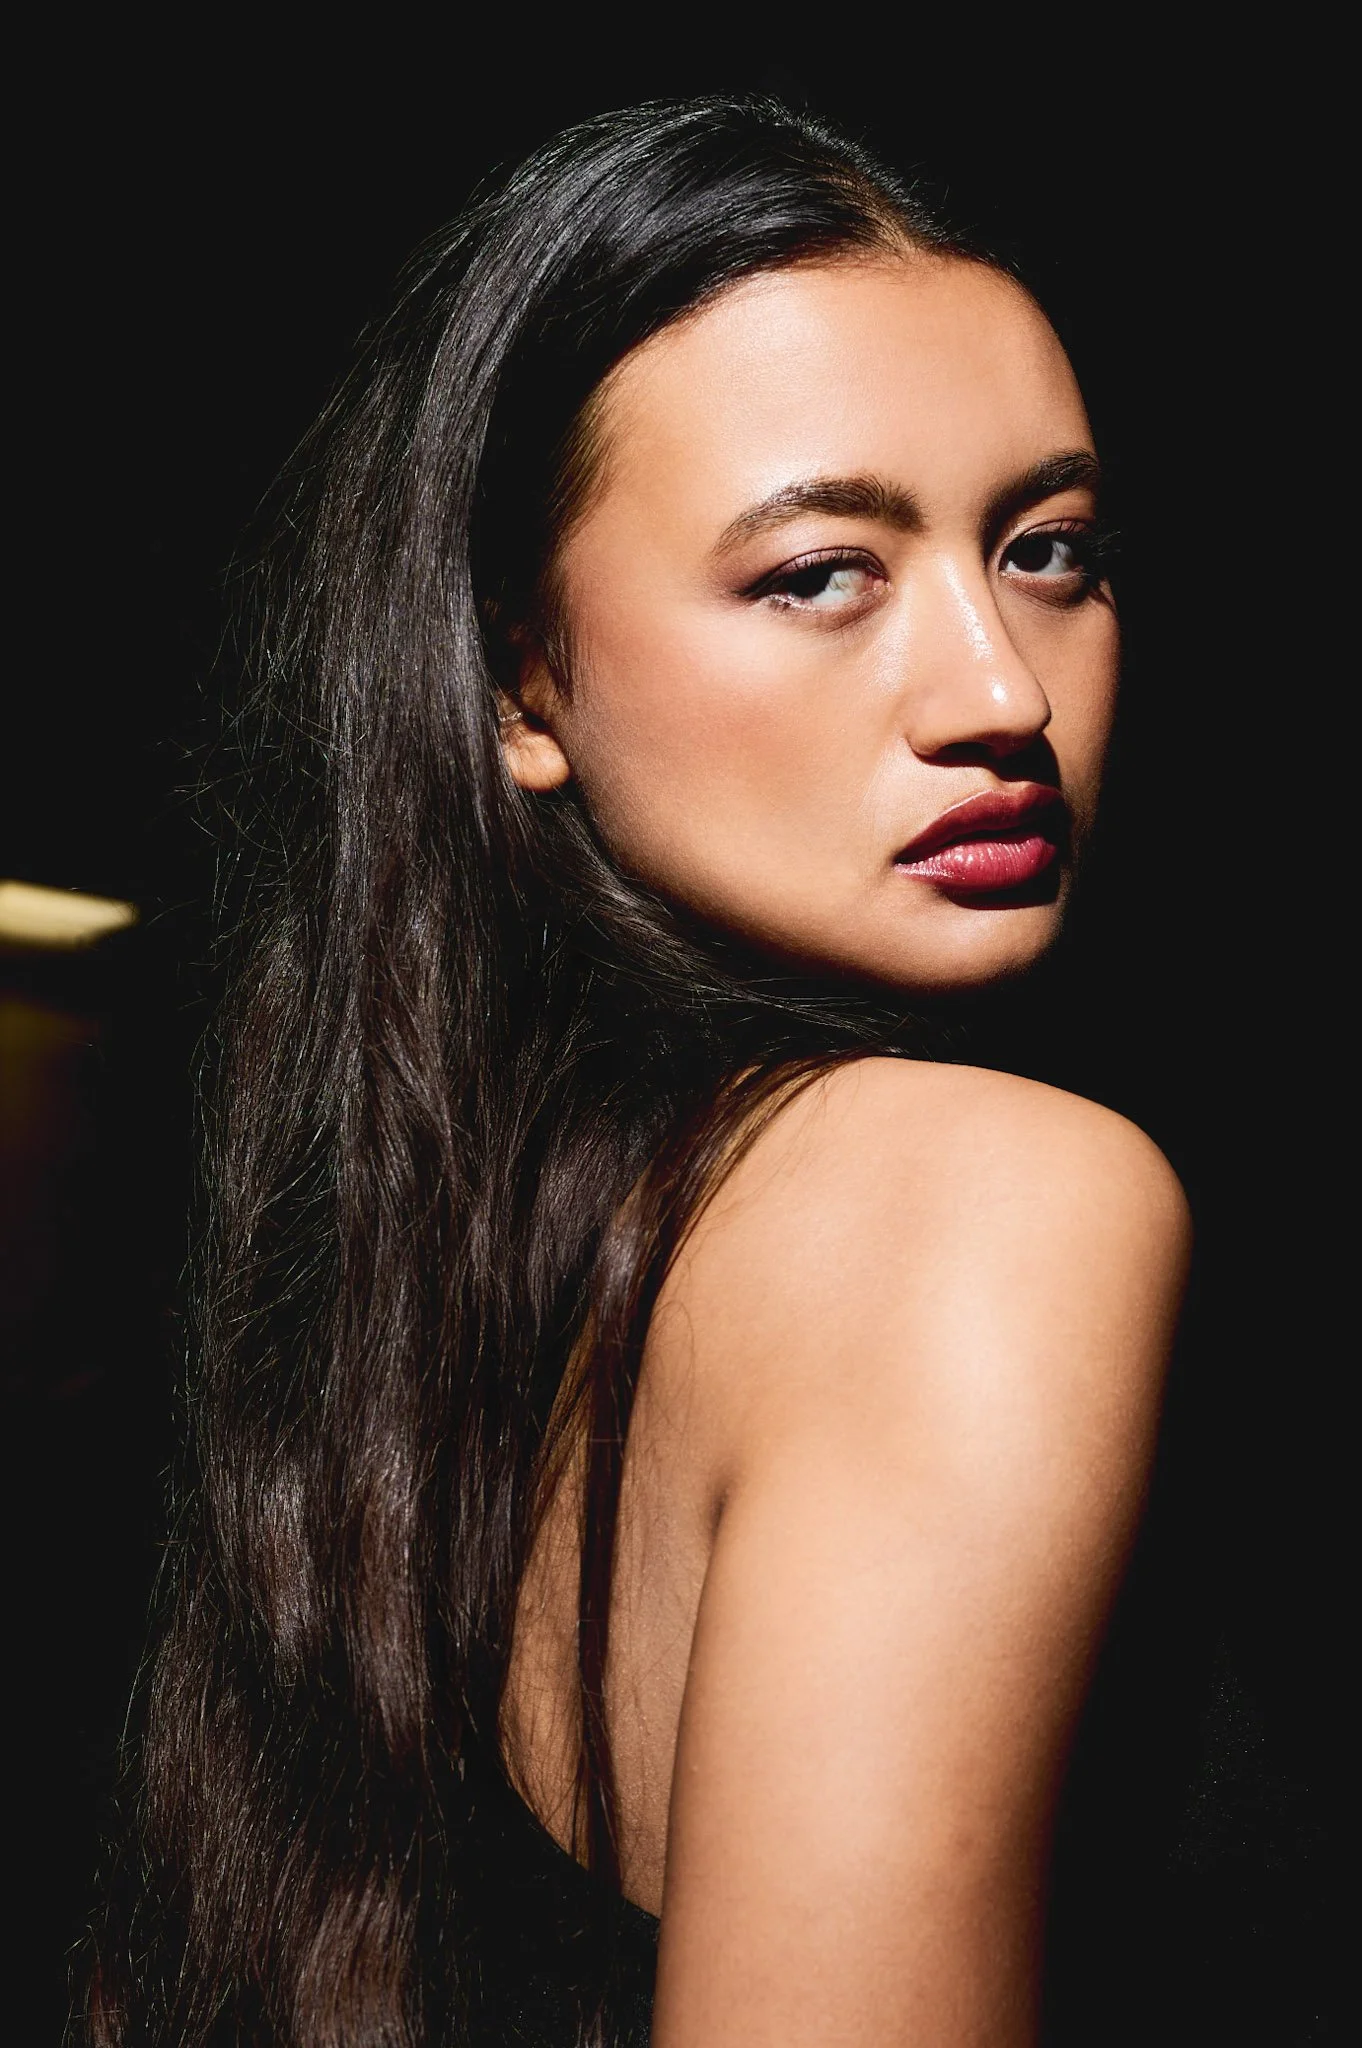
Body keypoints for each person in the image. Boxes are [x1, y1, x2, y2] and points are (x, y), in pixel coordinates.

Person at [87, 96, 1190, 2047]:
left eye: (1053, 549)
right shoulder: (986, 1199)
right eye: (819, 573)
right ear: (521, 682)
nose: (1000, 690)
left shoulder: (408, 1332)